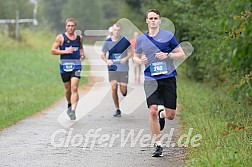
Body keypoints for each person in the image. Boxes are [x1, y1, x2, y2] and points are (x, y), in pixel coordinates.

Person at [133, 9, 185, 157]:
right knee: (152, 110)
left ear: (160, 20)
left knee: (171, 115)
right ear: (147, 21)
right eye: (151, 18)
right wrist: (140, 60)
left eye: (156, 18)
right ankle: (158, 144)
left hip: (168, 78)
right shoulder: (142, 39)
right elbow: (135, 58)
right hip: (151, 79)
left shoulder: (168, 36)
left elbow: (181, 54)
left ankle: (163, 115)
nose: (153, 20)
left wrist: (167, 55)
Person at [51, 17, 85, 120]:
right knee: (68, 89)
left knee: (74, 88)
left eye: (72, 26)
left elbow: (81, 48)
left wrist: (82, 55)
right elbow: (53, 50)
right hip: (64, 66)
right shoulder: (60, 38)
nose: (70, 28)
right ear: (66, 27)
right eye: (68, 26)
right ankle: (70, 104)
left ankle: (73, 111)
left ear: (75, 27)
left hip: (76, 65)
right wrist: (65, 52)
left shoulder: (79, 38)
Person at [101, 23, 131, 117]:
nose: (116, 32)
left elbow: (131, 52)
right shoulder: (108, 42)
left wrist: (125, 59)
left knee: (123, 91)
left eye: (118, 30)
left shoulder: (125, 41)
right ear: (112, 31)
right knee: (114, 88)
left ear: (120, 31)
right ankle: (117, 109)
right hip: (113, 68)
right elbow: (102, 54)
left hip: (123, 68)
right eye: (115, 30)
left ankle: (124, 92)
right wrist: (107, 61)